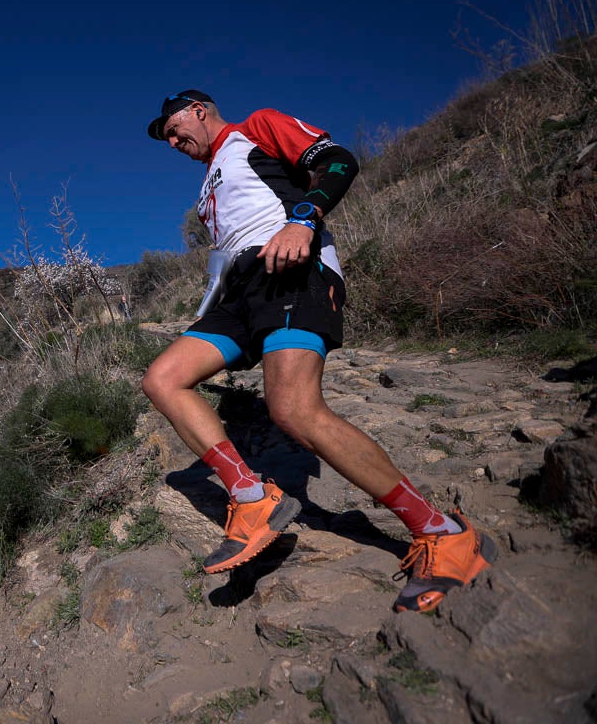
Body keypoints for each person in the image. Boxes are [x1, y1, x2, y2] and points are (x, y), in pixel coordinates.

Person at [140, 90, 496, 613]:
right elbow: (224, 251)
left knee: (294, 409)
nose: (171, 142)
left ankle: (442, 531)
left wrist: (302, 220)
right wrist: (208, 307)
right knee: (162, 379)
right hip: (238, 295)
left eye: (173, 129)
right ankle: (252, 498)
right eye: (166, 139)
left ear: (198, 109)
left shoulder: (255, 128)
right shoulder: (207, 190)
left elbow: (337, 161)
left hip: (293, 273)